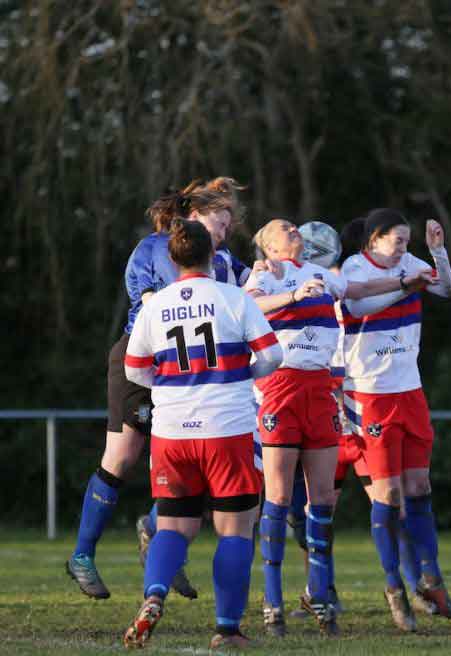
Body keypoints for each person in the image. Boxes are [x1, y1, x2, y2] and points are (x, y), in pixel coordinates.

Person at [67, 177, 245, 600]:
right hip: (143, 357)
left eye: (227, 226)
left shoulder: (225, 261)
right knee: (123, 457)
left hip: (193, 366)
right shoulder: (152, 248)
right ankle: (81, 555)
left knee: (198, 457)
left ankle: (158, 536)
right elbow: (150, 305)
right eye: (220, 223)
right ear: (194, 216)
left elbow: (251, 293)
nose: (225, 232)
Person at [247, 217, 415, 637]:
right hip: (280, 388)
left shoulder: (321, 273)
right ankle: (272, 602)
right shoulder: (265, 275)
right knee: (280, 495)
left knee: (321, 499)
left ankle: (320, 595)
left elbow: (357, 292)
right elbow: (249, 307)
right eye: (283, 227)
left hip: (320, 389)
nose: (292, 229)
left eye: (293, 225)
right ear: (268, 245)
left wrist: (406, 282)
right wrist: (291, 294)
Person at [120, 219, 282, 650]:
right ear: (213, 255)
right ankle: (227, 630)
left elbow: (134, 367)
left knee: (173, 526)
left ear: (171, 260)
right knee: (234, 530)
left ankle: (154, 595)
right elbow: (273, 355)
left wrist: (170, 388)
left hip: (172, 432)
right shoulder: (233, 298)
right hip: (225, 428)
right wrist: (242, 375)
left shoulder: (156, 306)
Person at [340, 208, 451, 630]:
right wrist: (407, 284)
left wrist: (438, 254)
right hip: (369, 396)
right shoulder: (353, 267)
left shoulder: (410, 265)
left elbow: (445, 289)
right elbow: (358, 302)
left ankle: (431, 579)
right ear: (373, 240)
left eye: (408, 242)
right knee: (387, 498)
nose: (403, 248)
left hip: (410, 390)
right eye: (398, 241)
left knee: (420, 487)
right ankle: (395, 589)